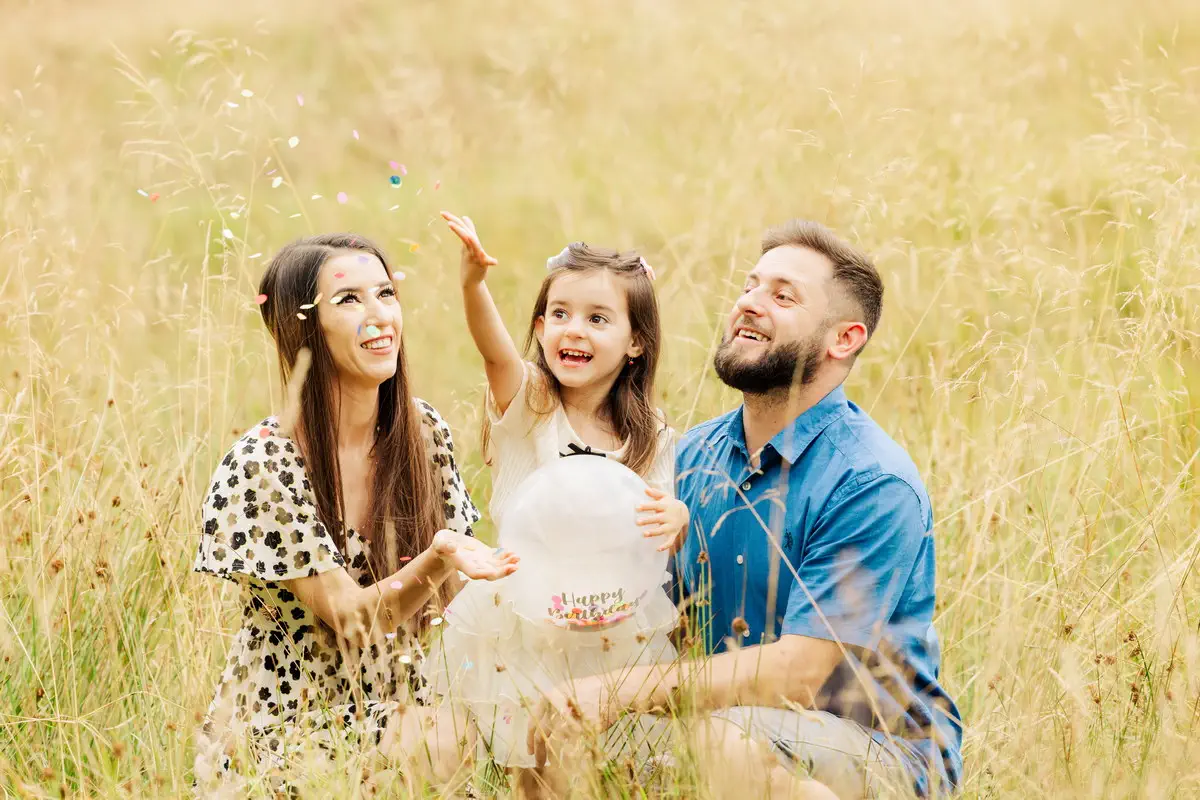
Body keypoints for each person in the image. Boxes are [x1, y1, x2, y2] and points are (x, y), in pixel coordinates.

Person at [527, 220, 964, 799]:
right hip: (724, 719)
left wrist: (612, 693)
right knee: (551, 731)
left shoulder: (871, 482)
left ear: (843, 339)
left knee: (718, 742)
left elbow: (798, 673)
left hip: (875, 750)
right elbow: (663, 613)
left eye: (783, 296)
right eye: (751, 286)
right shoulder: (695, 454)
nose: (750, 303)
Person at [192, 233, 519, 795]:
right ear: (304, 331)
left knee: (514, 727)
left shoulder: (422, 432)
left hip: (405, 705)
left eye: (386, 294)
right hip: (286, 720)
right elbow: (353, 621)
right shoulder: (264, 463)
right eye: (349, 300)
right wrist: (440, 557)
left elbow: (451, 608)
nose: (379, 316)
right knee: (441, 740)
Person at [428, 214, 688, 794]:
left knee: (589, 760)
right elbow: (496, 354)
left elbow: (657, 526)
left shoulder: (653, 434)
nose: (574, 330)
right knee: (514, 755)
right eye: (560, 315)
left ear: (636, 342)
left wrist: (679, 519)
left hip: (608, 621)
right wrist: (473, 285)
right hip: (515, 612)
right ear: (541, 327)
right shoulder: (534, 404)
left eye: (598, 319)